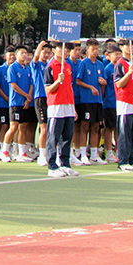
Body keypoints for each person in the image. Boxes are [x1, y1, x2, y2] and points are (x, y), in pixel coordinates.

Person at [43, 42, 78, 178]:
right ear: (55, 50)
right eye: (62, 49)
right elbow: (48, 89)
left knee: (67, 135)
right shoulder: (50, 67)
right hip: (56, 105)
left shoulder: (68, 66)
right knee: (54, 135)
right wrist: (57, 81)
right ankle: (51, 166)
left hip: (68, 104)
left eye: (67, 50)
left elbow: (69, 88)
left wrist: (73, 107)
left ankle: (65, 164)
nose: (65, 52)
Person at [74, 39, 106, 165]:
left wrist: (103, 82)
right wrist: (90, 87)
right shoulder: (83, 64)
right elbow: (78, 81)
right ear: (87, 50)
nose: (95, 52)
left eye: (97, 49)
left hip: (97, 101)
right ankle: (82, 154)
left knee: (96, 127)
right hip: (86, 100)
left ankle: (94, 154)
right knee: (85, 126)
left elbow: (102, 80)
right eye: (93, 49)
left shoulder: (100, 64)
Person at [115, 40, 133, 172]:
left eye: (132, 45)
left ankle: (132, 159)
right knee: (124, 132)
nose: (131, 47)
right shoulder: (120, 64)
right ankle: (123, 161)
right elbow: (119, 84)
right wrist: (128, 73)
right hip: (125, 101)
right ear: (122, 47)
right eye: (128, 45)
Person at [32, 41, 53, 167]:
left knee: (51, 127)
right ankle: (42, 155)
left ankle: (51, 153)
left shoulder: (50, 65)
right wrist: (40, 46)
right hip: (40, 97)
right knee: (43, 127)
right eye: (44, 52)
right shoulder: (37, 64)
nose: (46, 55)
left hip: (50, 97)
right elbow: (35, 58)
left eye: (48, 53)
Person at [101, 43, 121, 163]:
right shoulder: (108, 69)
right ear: (109, 55)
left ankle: (118, 150)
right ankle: (108, 151)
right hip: (109, 102)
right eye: (116, 54)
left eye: (120, 54)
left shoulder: (120, 67)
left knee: (119, 128)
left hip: (119, 102)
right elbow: (103, 86)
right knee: (109, 128)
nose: (118, 56)